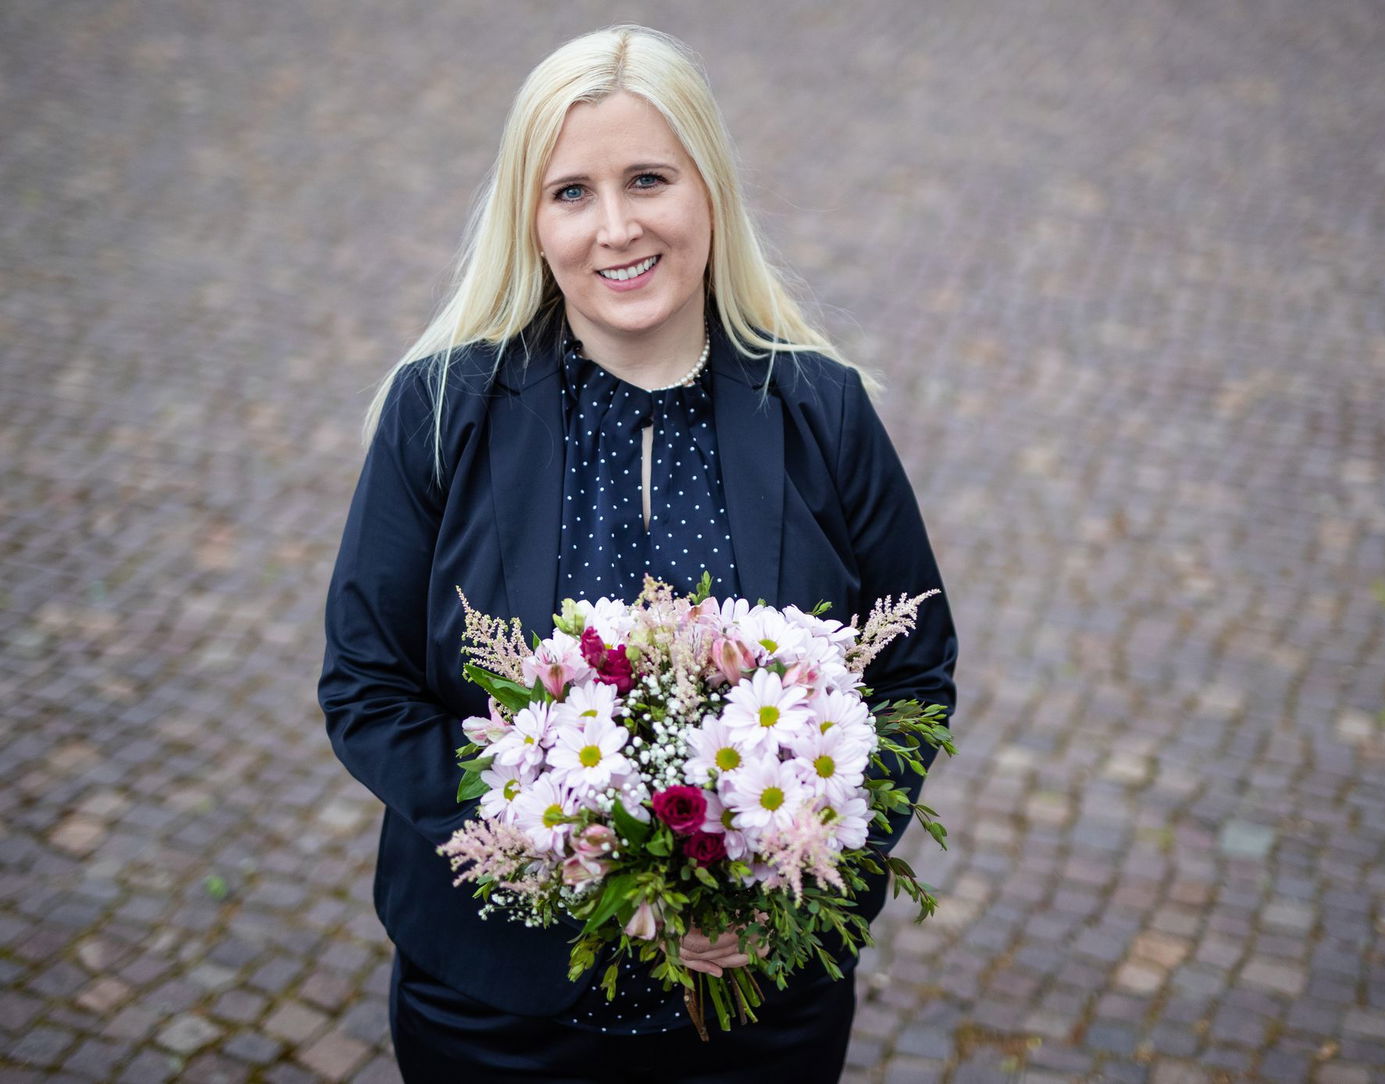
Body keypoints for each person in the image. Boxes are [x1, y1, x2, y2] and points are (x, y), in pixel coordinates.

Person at [318, 24, 956, 1083]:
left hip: (760, 1016)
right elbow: (367, 686)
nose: (615, 228)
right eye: (571, 192)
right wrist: (561, 848)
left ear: (710, 191)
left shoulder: (823, 409)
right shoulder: (439, 411)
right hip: (495, 1011)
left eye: (648, 179)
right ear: (531, 221)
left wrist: (790, 872)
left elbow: (911, 672)